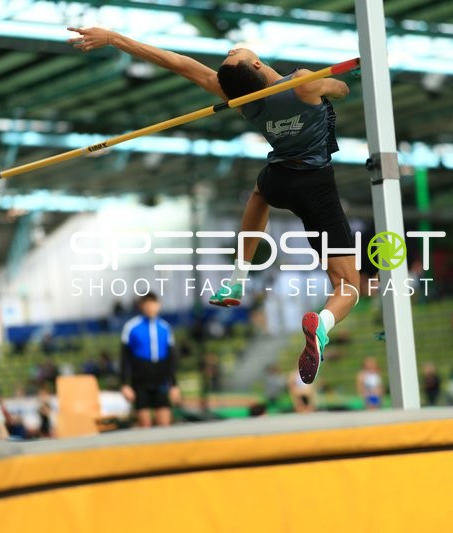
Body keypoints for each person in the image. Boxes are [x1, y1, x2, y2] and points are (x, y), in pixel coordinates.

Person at [68, 27, 357, 386]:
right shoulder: (300, 82)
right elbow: (341, 90)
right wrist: (335, 80)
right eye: (233, 53)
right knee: (349, 285)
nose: (230, 50)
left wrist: (114, 38)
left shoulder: (241, 99)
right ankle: (323, 326)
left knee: (259, 194)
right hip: (315, 184)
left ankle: (236, 281)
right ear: (255, 62)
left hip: (279, 178)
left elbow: (176, 63)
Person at [120, 292, 179, 428]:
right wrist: (124, 384)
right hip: (140, 381)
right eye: (147, 304)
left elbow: (171, 359)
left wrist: (174, 385)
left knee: (165, 425)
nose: (151, 308)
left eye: (153, 304)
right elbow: (124, 357)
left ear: (159, 305)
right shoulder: (131, 327)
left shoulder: (165, 327)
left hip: (160, 381)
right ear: (141, 306)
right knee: (145, 426)